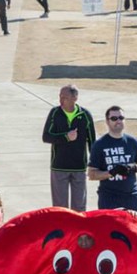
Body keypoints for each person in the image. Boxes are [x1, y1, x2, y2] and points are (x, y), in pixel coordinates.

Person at [42, 84, 96, 212]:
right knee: (60, 208)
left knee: (80, 208)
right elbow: (46, 137)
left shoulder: (85, 115)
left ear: (75, 98)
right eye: (60, 96)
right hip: (59, 167)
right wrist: (66, 137)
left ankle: (79, 232)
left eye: (65, 97)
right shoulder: (55, 113)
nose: (61, 100)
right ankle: (62, 232)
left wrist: (94, 164)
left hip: (79, 168)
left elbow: (92, 142)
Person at [87, 106, 137, 213]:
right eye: (114, 118)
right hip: (109, 197)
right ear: (107, 121)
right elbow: (91, 174)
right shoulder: (99, 145)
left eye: (121, 118)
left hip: (131, 195)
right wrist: (111, 172)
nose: (118, 121)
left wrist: (134, 167)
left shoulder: (132, 141)